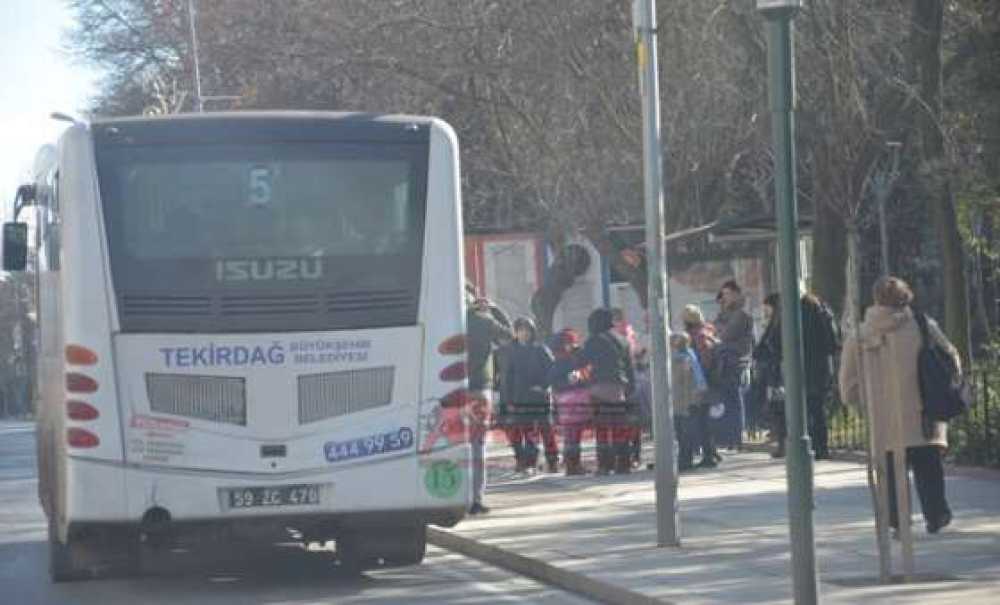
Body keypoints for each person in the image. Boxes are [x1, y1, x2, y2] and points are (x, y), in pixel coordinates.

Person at [838, 276, 959, 534]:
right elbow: (951, 356)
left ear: (875, 299)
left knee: (890, 472)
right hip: (923, 412)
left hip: (883, 416)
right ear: (906, 298)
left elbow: (848, 385)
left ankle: (897, 520)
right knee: (928, 466)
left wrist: (861, 398)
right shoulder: (923, 325)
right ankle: (936, 513)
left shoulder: (859, 335)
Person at [466, 295, 513, 515]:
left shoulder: (448, 319)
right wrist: (494, 308)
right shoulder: (484, 321)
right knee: (477, 443)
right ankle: (475, 499)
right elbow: (509, 335)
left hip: (449, 388)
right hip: (479, 388)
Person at [581, 308, 636, 475]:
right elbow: (629, 367)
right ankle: (624, 463)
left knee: (602, 429)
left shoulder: (592, 341)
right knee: (619, 428)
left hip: (598, 388)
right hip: (618, 389)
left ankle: (605, 465)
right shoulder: (622, 340)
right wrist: (630, 388)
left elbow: (583, 363)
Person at [502, 317, 558, 473]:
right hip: (520, 399)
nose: (524, 333)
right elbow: (508, 378)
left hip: (540, 398)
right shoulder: (511, 351)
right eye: (521, 330)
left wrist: (544, 386)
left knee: (546, 430)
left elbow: (553, 369)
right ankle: (528, 462)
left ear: (532, 332)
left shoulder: (540, 349)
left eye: (527, 330)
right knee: (527, 431)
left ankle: (552, 461)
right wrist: (508, 400)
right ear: (516, 332)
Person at [800, 292, 840, 460]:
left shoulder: (799, 315)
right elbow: (832, 344)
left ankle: (811, 444)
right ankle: (822, 447)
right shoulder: (824, 314)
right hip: (822, 366)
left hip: (803, 366)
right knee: (818, 409)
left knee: (806, 409)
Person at [714, 281, 754, 451]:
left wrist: (718, 332)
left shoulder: (741, 315)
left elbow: (724, 335)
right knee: (727, 402)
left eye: (728, 294)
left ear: (736, 294)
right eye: (723, 295)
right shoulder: (724, 315)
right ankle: (729, 438)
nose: (725, 298)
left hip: (736, 363)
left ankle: (737, 438)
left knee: (735, 401)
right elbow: (715, 331)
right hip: (725, 362)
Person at [682, 304, 722, 468]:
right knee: (704, 419)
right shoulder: (707, 332)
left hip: (701, 383)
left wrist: (696, 378)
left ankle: (709, 456)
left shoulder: (696, 336)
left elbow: (704, 360)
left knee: (700, 420)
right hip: (710, 381)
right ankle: (711, 452)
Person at [548, 328, 592, 475]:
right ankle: (572, 465)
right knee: (571, 435)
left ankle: (574, 464)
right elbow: (555, 381)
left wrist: (580, 375)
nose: (571, 346)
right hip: (567, 403)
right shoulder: (559, 361)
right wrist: (570, 380)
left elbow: (587, 372)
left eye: (572, 343)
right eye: (568, 343)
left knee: (575, 435)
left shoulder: (578, 357)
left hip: (577, 402)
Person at [752, 294, 786, 457]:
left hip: (779, 370)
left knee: (780, 407)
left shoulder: (779, 323)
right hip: (774, 370)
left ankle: (783, 443)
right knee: (776, 407)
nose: (766, 313)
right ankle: (781, 441)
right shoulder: (774, 322)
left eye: (768, 309)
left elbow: (772, 344)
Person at [671, 332, 709, 471]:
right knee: (683, 433)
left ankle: (685, 461)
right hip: (685, 401)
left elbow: (687, 382)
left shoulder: (682, 360)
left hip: (684, 402)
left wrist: (689, 402)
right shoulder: (689, 356)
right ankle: (685, 460)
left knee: (684, 434)